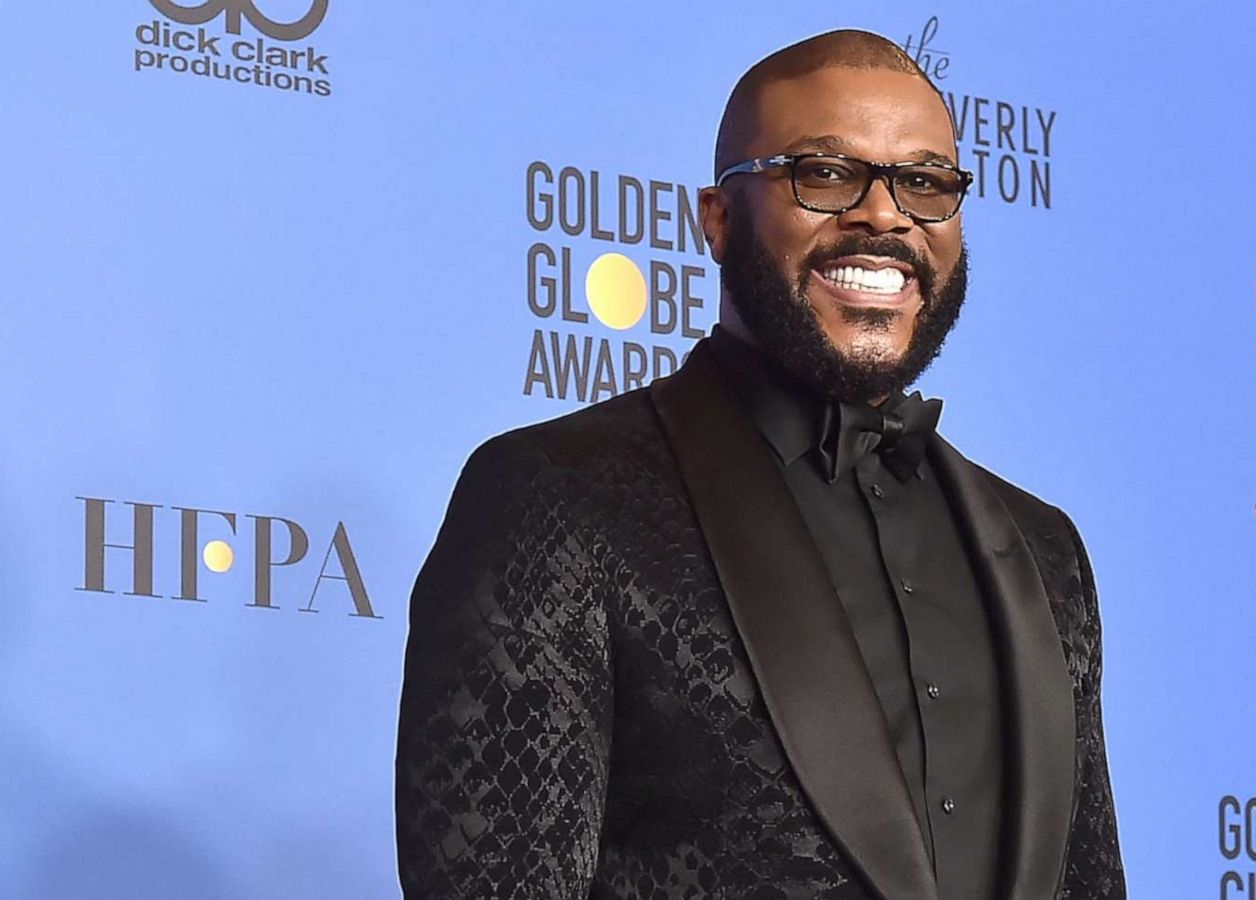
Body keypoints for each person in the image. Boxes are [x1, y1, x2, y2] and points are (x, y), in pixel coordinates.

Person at [394, 28, 1125, 900]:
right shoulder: (557, 497)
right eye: (825, 173)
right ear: (717, 217)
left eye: (924, 183)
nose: (885, 216)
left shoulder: (1045, 553)